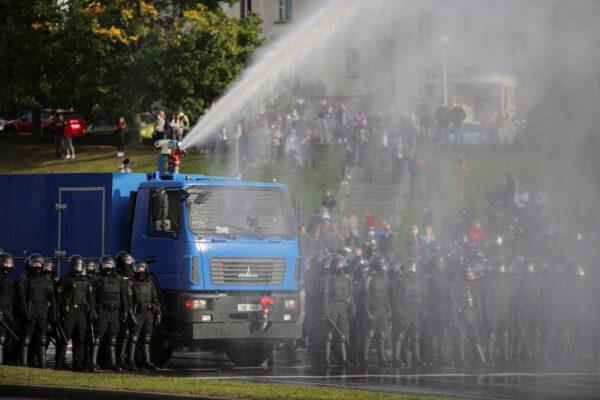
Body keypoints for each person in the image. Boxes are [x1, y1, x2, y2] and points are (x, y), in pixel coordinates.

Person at [55, 255, 94, 371]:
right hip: (68, 312)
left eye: (80, 265)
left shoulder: (87, 280)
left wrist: (91, 312)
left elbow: (91, 298)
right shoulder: (65, 279)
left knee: (80, 338)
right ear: (71, 265)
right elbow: (58, 298)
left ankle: (77, 362)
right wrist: (57, 313)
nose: (79, 267)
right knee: (64, 338)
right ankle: (60, 361)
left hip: (82, 313)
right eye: (76, 265)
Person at [16, 253, 56, 368]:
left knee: (42, 339)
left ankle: (41, 363)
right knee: (26, 339)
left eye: (39, 263)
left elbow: (52, 299)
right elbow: (21, 299)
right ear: (30, 264)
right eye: (35, 263)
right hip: (30, 310)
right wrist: (24, 312)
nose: (37, 265)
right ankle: (24, 363)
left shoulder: (46, 280)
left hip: (42, 312)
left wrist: (53, 314)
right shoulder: (25, 278)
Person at [90, 255, 127, 371]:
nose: (108, 266)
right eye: (105, 264)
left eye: (110, 264)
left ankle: (113, 363)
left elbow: (123, 297)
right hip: (102, 312)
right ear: (101, 266)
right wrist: (93, 311)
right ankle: (93, 363)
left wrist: (125, 310)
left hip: (115, 312)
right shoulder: (97, 279)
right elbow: (92, 297)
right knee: (97, 338)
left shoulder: (118, 280)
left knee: (113, 339)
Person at [127, 259, 162, 371]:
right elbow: (128, 301)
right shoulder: (131, 282)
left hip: (149, 313)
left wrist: (158, 312)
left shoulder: (150, 282)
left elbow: (155, 298)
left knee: (147, 338)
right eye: (138, 268)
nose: (140, 270)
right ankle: (130, 361)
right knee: (134, 337)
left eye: (142, 268)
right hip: (138, 312)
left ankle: (147, 361)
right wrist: (131, 315)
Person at [322, 256, 354, 367]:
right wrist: (326, 310)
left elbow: (350, 295)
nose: (340, 267)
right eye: (338, 265)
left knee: (343, 334)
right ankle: (326, 358)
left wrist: (351, 309)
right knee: (329, 333)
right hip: (333, 307)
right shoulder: (329, 279)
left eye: (342, 265)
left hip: (343, 307)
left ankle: (344, 359)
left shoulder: (347, 279)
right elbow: (325, 296)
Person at [362, 256, 391, 367]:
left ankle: (382, 357)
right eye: (382, 264)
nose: (384, 267)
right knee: (370, 334)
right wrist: (367, 312)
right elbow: (365, 298)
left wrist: (388, 310)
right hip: (373, 310)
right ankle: (365, 357)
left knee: (382, 334)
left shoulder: (386, 279)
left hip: (383, 309)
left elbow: (387, 296)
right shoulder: (369, 279)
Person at [398, 260, 424, 366]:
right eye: (410, 267)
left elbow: (421, 296)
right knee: (404, 336)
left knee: (415, 336)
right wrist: (400, 311)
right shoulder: (402, 281)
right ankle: (402, 357)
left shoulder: (418, 281)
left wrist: (422, 309)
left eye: (414, 267)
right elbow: (398, 298)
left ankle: (416, 358)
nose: (412, 269)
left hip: (416, 310)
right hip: (406, 310)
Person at [115, 250, 134, 368]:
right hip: (120, 308)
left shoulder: (133, 274)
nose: (129, 262)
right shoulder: (116, 275)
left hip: (132, 307)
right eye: (126, 260)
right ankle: (116, 359)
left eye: (129, 260)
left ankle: (127, 359)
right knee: (117, 334)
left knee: (128, 334)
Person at [0, 252, 15, 365]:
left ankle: (6, 360)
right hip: (1, 311)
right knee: (1, 338)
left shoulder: (9, 279)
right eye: (6, 263)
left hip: (8, 312)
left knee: (7, 338)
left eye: (9, 264)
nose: (8, 266)